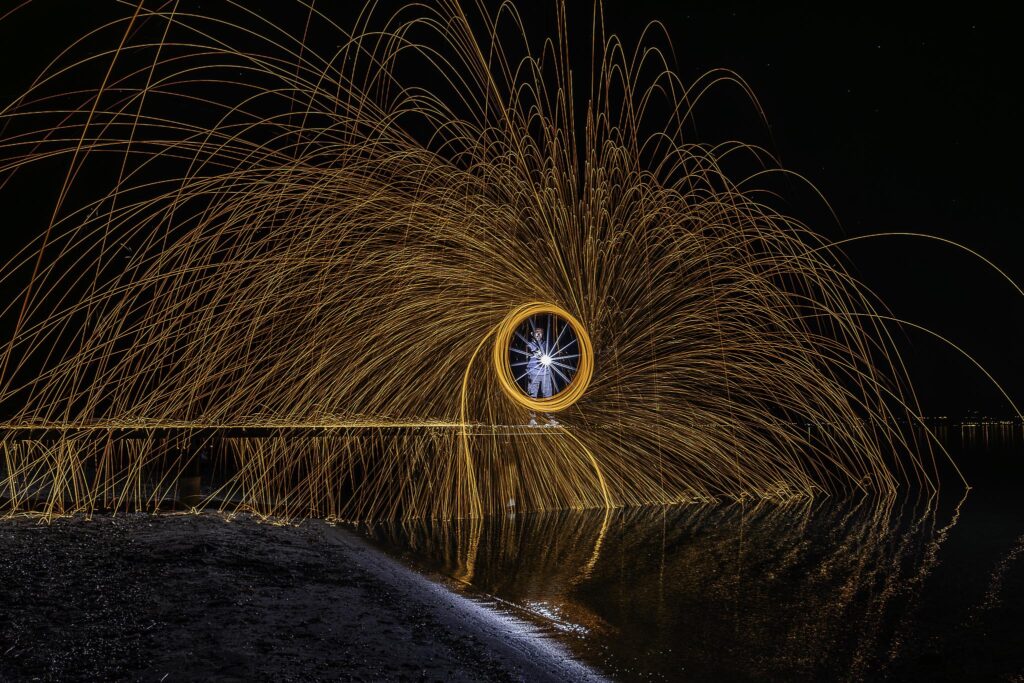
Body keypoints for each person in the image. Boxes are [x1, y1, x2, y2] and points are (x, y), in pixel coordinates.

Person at [525, 326, 559, 427]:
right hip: (533, 372)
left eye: (541, 332)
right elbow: (531, 349)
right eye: (537, 332)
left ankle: (550, 419)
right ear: (532, 334)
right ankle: (532, 419)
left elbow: (550, 352)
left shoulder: (546, 344)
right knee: (532, 396)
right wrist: (536, 351)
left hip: (545, 372)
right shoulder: (529, 344)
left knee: (548, 396)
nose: (539, 334)